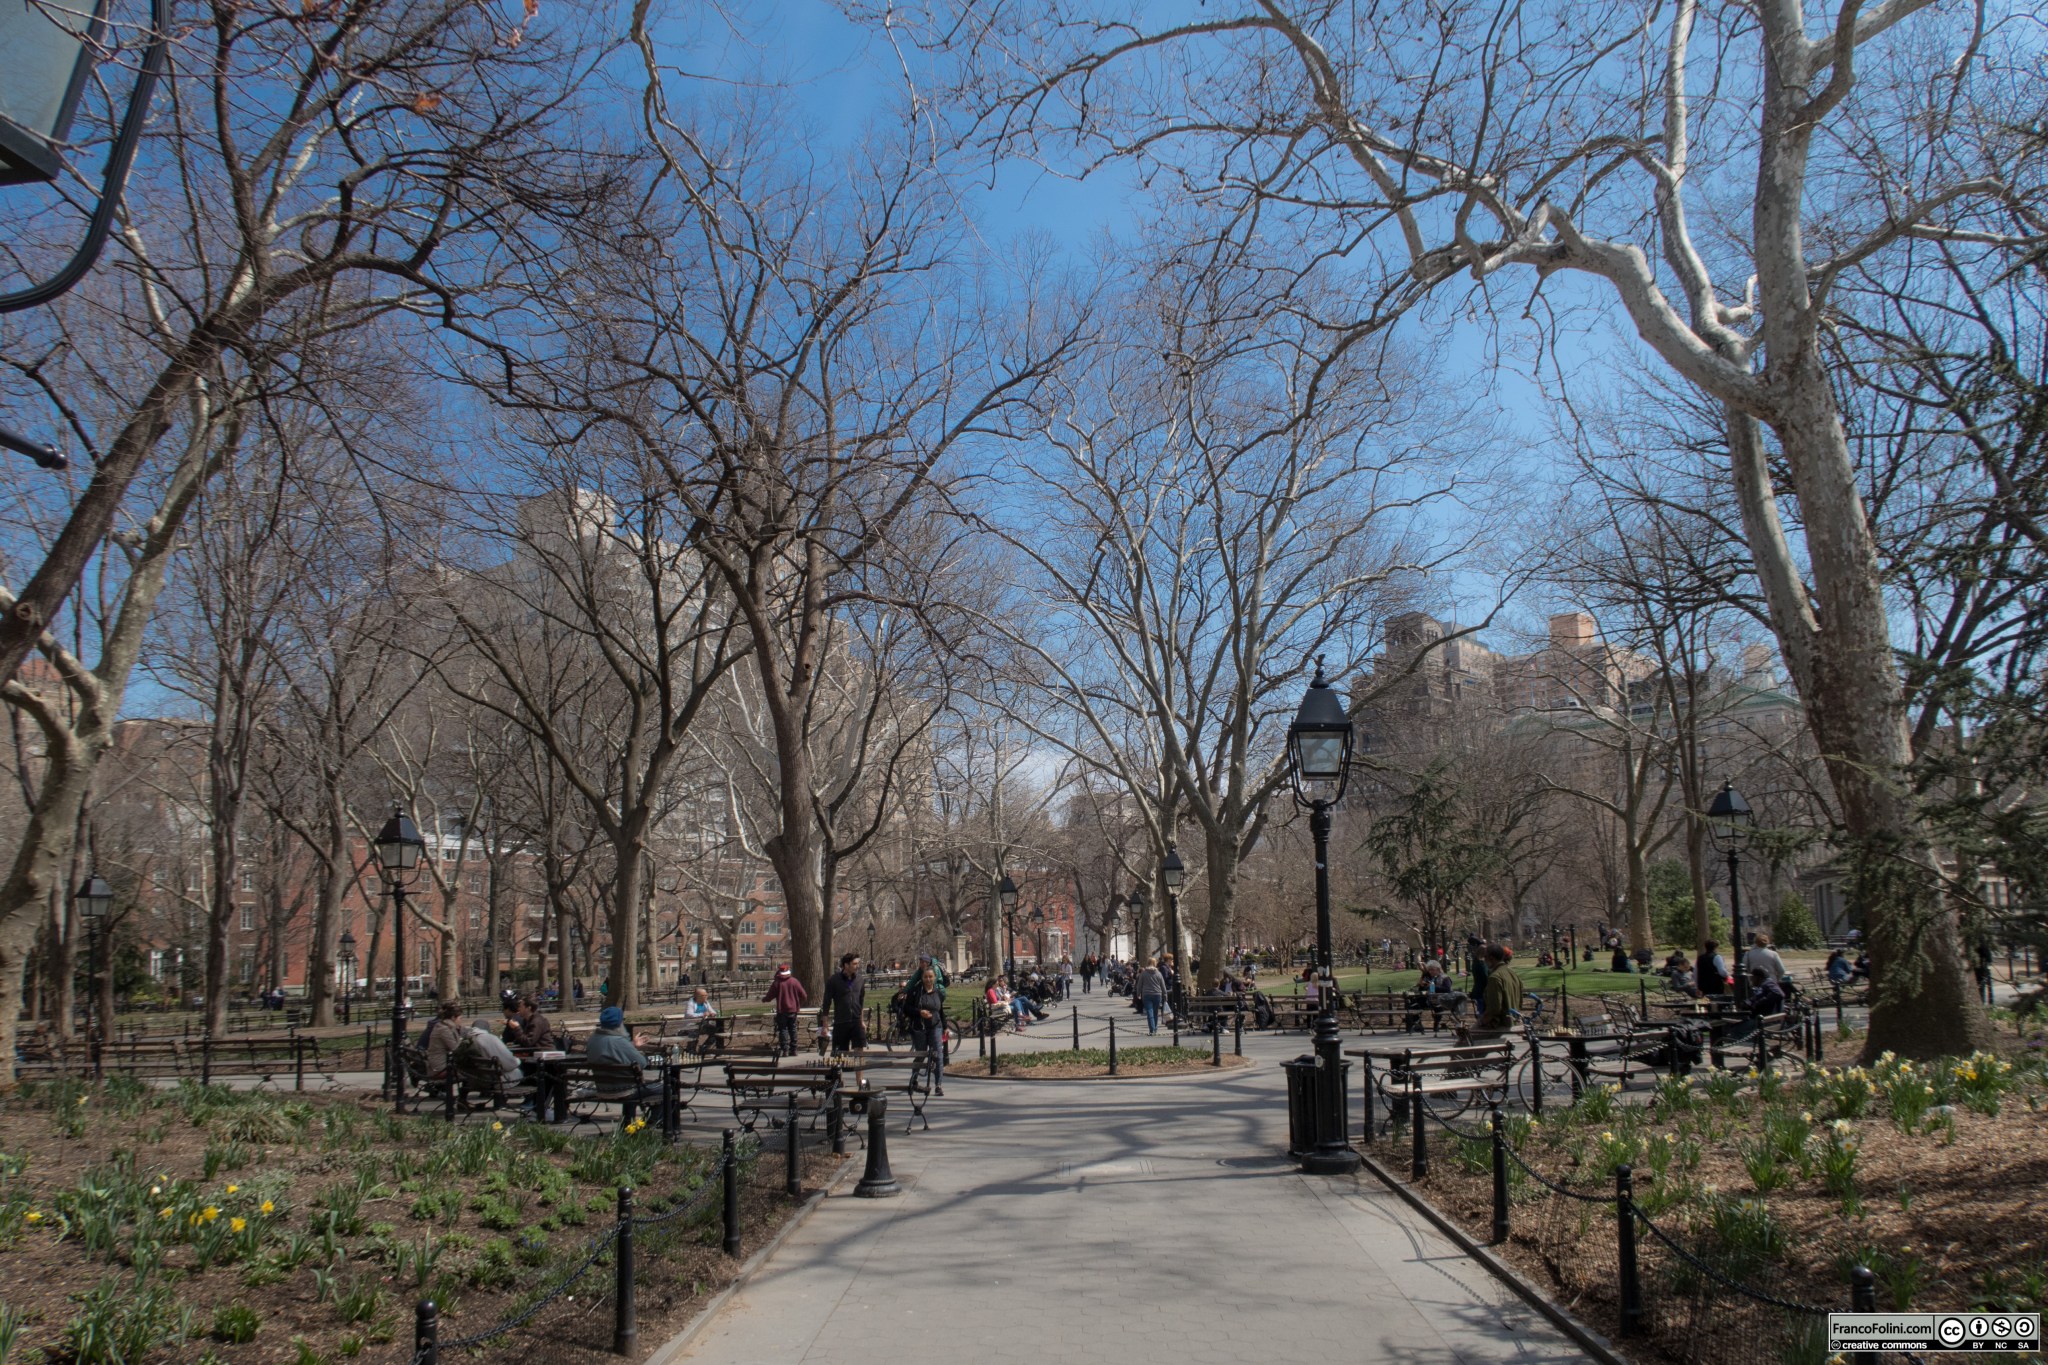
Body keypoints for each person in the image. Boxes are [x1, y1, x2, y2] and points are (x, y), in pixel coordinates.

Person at [902, 963, 946, 1095]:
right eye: (926, 977)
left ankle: (938, 1085)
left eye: (930, 977)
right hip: (920, 1027)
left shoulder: (938, 992)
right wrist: (919, 1012)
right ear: (922, 978)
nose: (928, 979)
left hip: (935, 1027)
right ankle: (914, 1080)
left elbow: (941, 1011)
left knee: (938, 1055)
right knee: (921, 1055)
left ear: (934, 977)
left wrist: (945, 1027)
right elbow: (906, 1008)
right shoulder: (915, 991)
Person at [820, 953, 867, 1072]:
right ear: (846, 965)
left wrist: (862, 1021)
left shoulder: (860, 979)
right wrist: (825, 1026)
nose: (857, 966)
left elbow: (861, 1001)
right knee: (839, 1056)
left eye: (858, 963)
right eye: (854, 964)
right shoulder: (834, 980)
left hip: (856, 1021)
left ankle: (859, 1083)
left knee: (859, 1054)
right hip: (841, 1022)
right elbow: (826, 1003)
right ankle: (839, 1084)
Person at [763, 964, 808, 1057]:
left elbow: (769, 996)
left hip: (782, 1010)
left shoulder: (777, 983)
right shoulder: (794, 981)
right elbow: (804, 995)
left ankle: (785, 1050)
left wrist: (764, 999)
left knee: (783, 1030)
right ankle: (794, 1049)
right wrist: (797, 1003)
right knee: (793, 1029)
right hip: (793, 1010)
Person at [1476, 944, 1524, 1030]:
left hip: (1501, 1025)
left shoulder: (1495, 977)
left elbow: (1494, 1008)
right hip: (1515, 1021)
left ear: (1491, 958)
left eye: (1485, 957)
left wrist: (1482, 1021)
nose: (1484, 960)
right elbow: (1520, 1001)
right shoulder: (1513, 974)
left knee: (1466, 1037)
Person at [422, 1001, 467, 1079]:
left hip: (435, 1063)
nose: (461, 1021)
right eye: (460, 1018)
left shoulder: (441, 1025)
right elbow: (455, 1049)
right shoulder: (445, 1029)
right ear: (453, 1018)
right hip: (440, 1067)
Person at [1137, 957, 1166, 1034]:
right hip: (1157, 994)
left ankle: (1152, 1029)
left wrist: (1138, 993)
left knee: (1149, 1011)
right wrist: (1165, 994)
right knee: (1155, 1012)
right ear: (1154, 963)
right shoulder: (1158, 973)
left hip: (1146, 994)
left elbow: (1139, 984)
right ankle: (1155, 1028)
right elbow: (1162, 985)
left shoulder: (1143, 973)